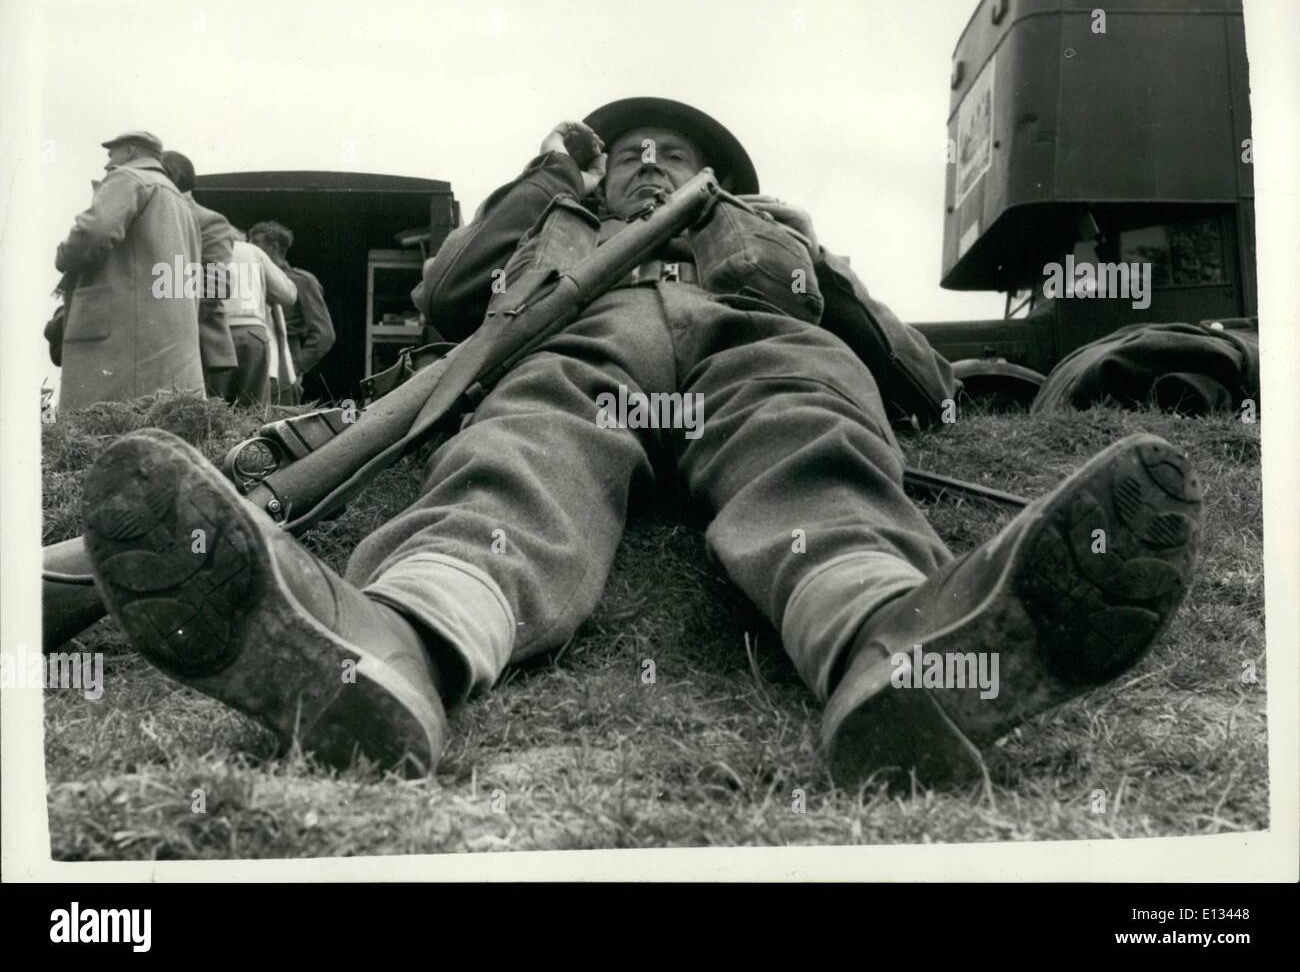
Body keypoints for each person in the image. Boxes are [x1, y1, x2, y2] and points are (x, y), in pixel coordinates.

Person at [80, 99, 1203, 787]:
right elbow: (446, 293)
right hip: (583, 348)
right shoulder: (559, 220)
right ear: (599, 172)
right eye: (629, 153)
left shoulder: (759, 232)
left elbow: (912, 378)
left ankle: (892, 643)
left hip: (751, 346)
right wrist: (542, 181)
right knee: (525, 443)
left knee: (806, 426)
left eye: (673, 153)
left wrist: (817, 264)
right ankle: (400, 648)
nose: (651, 163)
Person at [54, 131, 203, 410]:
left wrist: (62, 256)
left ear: (132, 152)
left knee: (100, 426)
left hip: (121, 339)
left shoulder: (129, 178)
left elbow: (92, 232)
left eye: (112, 155)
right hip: (165, 344)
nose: (107, 165)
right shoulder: (182, 204)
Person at [159, 150, 240, 400]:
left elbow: (214, 286)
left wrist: (171, 330)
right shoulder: (159, 217)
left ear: (169, 177)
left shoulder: (208, 221)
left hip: (200, 349)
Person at [248, 221, 336, 404]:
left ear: (274, 246)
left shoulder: (301, 281)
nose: (249, 247)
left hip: (284, 354)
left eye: (255, 243)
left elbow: (324, 334)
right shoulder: (249, 277)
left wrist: (295, 366)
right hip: (253, 356)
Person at [218, 231, 298, 407]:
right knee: (252, 407)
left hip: (216, 332)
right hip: (252, 332)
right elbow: (288, 295)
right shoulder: (252, 251)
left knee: (216, 408)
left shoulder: (205, 249)